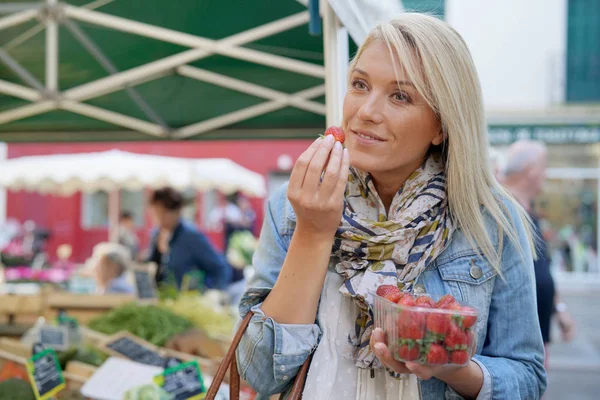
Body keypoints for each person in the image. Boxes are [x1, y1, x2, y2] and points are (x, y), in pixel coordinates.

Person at [235, 13, 546, 400]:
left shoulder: (491, 220)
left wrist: (456, 369)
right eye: (360, 85)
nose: (366, 110)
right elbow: (258, 374)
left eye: (400, 95)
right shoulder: (295, 202)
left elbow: (528, 377)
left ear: (441, 125)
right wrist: (313, 233)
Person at [501, 140, 576, 365]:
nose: (546, 173)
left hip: (536, 337)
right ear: (530, 170)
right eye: (544, 166)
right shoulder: (502, 208)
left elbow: (541, 270)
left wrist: (559, 309)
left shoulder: (528, 211)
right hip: (512, 343)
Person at [147, 187, 231, 290]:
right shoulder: (155, 235)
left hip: (187, 301)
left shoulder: (191, 237)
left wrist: (212, 293)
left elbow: (220, 269)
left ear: (177, 211)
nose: (159, 218)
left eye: (163, 213)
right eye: (156, 213)